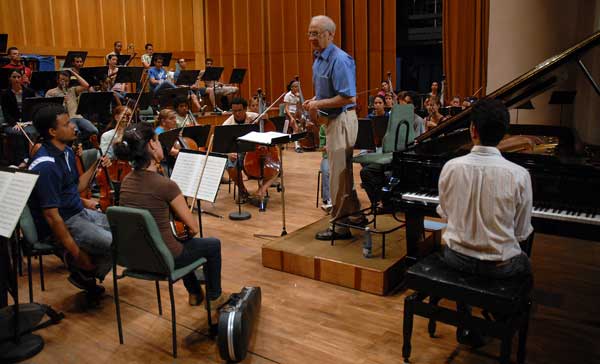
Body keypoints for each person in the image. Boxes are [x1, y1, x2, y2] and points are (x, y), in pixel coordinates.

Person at [437, 99, 533, 346]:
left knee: (458, 249)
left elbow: (445, 214)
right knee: (526, 265)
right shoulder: (519, 175)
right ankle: (502, 321)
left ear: (472, 130)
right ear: (504, 134)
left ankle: (467, 323)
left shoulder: (450, 167)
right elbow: (522, 233)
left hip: (455, 257)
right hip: (499, 266)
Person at [116, 123, 225, 308]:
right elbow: (193, 228)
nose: (160, 145)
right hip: (163, 259)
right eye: (158, 140)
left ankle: (195, 293)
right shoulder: (166, 185)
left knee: (179, 241)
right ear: (151, 145)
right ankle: (214, 298)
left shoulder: (126, 182)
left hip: (136, 257)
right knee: (212, 245)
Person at [28, 103, 112, 298]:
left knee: (123, 228)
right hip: (66, 221)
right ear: (52, 131)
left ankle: (85, 274)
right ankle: (80, 267)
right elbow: (51, 216)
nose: (74, 127)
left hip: (78, 213)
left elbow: (76, 188)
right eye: (66, 124)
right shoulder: (45, 166)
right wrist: (76, 253)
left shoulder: (66, 151)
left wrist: (95, 166)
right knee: (113, 243)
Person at [303, 15, 363, 240]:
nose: (311, 38)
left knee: (337, 177)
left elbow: (348, 97)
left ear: (330, 34)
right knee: (343, 174)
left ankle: (339, 227)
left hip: (343, 120)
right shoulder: (318, 59)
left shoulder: (340, 59)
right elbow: (327, 93)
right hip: (331, 122)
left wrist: (317, 103)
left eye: (316, 33)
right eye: (309, 33)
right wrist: (314, 100)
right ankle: (356, 216)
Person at [223, 97, 277, 209]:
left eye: (240, 110)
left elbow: (267, 128)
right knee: (230, 165)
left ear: (245, 109)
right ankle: (243, 191)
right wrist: (228, 154)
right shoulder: (227, 124)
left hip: (255, 150)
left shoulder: (254, 117)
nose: (237, 114)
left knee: (275, 166)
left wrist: (265, 117)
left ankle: (261, 190)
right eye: (234, 111)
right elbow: (222, 146)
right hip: (239, 152)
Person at [45, 70, 99, 141]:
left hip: (78, 116)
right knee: (76, 133)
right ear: (57, 80)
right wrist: (62, 101)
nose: (64, 83)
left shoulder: (72, 90)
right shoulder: (51, 92)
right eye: (62, 80)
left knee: (94, 130)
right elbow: (48, 108)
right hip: (66, 119)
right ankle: (76, 144)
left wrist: (74, 73)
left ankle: (79, 142)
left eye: (67, 81)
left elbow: (86, 86)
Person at [0, 70, 37, 165]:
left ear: (22, 78)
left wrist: (27, 122)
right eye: (14, 77)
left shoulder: (29, 92)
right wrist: (14, 123)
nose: (16, 79)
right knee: (17, 133)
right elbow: (6, 113)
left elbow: (32, 109)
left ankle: (32, 157)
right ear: (10, 79)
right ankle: (21, 160)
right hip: (11, 123)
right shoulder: (5, 94)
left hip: (26, 122)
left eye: (18, 77)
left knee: (31, 132)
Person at [283, 80, 303, 152]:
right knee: (296, 127)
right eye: (295, 87)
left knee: (302, 125)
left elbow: (298, 107)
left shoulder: (298, 95)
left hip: (295, 113)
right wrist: (291, 117)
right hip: (289, 114)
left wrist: (299, 116)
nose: (297, 88)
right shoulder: (287, 95)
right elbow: (286, 108)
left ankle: (304, 144)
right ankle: (297, 147)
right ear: (291, 88)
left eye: (298, 87)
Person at [319, 124, 331, 213]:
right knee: (326, 171)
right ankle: (329, 200)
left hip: (339, 155)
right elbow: (321, 147)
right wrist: (326, 147)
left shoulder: (341, 125)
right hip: (327, 156)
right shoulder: (323, 127)